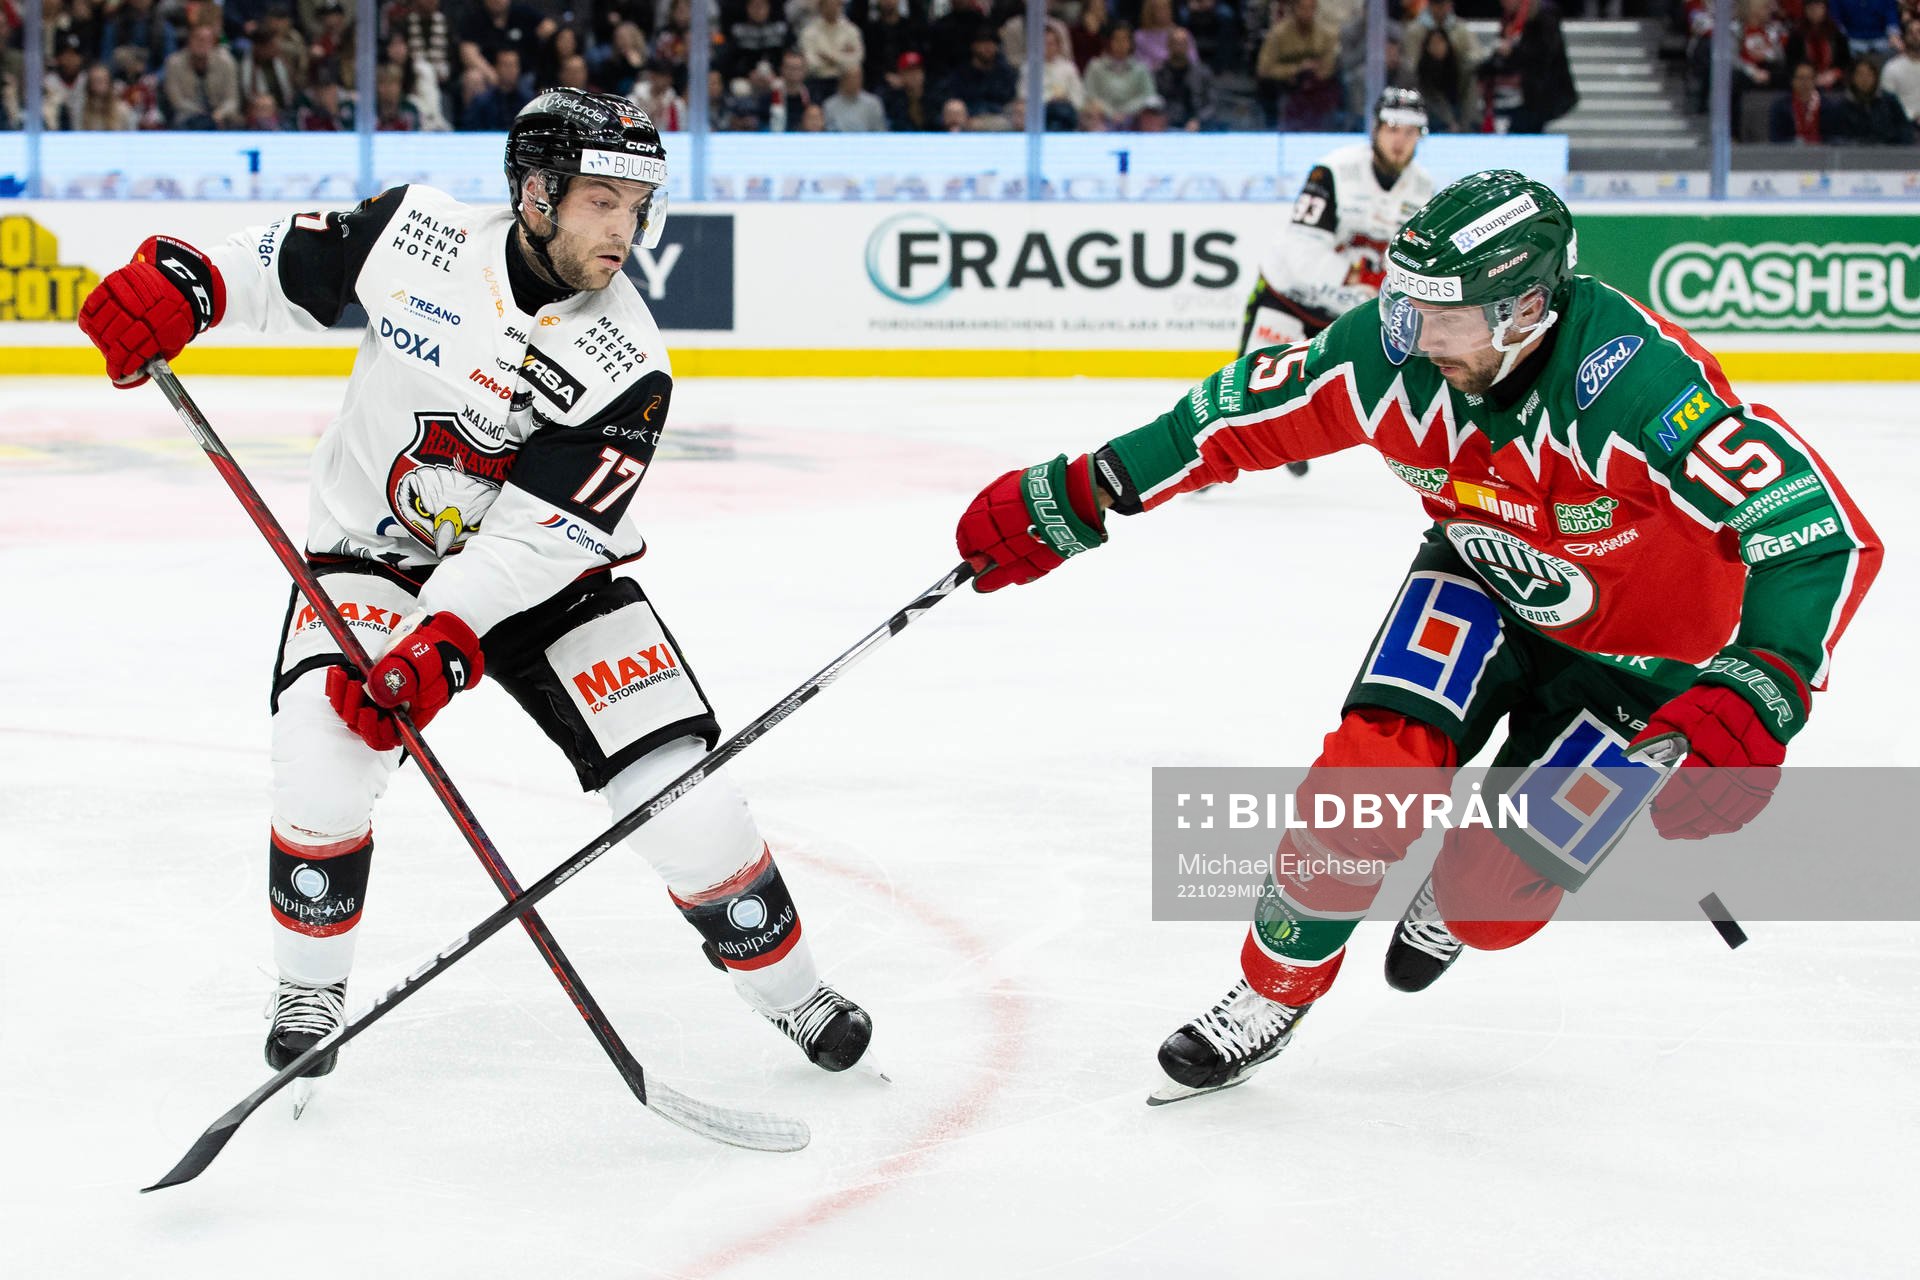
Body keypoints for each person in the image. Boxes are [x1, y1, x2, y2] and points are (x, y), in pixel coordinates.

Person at [952, 170, 1881, 1103]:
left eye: (1447, 317)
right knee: (1363, 781)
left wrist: (1764, 682)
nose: (1414, 335)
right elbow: (1233, 415)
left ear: (1524, 309)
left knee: (1492, 906)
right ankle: (1272, 992)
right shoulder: (1390, 354)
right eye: (1408, 305)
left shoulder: (1633, 381)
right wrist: (1090, 487)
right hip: (1484, 576)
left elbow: (1815, 529)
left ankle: (1462, 891)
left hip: (1645, 664)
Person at [75, 89, 875, 1091]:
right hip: (375, 551)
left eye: (636, 206)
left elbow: (543, 535)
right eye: (599, 201)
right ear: (535, 194)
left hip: (546, 580)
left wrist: (445, 633)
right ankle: (309, 988)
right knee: (320, 759)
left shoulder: (630, 364)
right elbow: (282, 261)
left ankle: (795, 991)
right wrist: (188, 288)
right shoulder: (420, 235)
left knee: (682, 796)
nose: (622, 230)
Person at [1239, 89, 1434, 477]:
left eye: (1411, 131)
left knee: (1319, 394)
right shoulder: (1332, 172)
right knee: (1247, 390)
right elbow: (1300, 253)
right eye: (1393, 127)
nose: (1400, 140)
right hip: (1287, 295)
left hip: (1341, 312)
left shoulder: (1423, 190)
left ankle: (1291, 442)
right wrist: (1361, 275)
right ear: (1376, 129)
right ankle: (1207, 456)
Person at [1477, 0, 1577, 134]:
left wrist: (1513, 50)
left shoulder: (1544, 14)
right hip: (1518, 94)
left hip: (1538, 93)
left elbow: (1545, 52)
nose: (1502, 3)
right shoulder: (1509, 17)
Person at [1400, 0, 1480, 126]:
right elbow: (1410, 63)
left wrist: (1450, 54)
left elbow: (1475, 55)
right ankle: (1444, 123)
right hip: (1424, 80)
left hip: (1455, 78)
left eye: (1445, 4)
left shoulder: (1460, 29)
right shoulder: (1414, 30)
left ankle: (1470, 125)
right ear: (1430, 5)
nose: (1442, 9)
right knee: (1418, 80)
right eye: (1438, 5)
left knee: (1471, 78)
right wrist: (1430, 59)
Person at [1836, 53, 1915, 140]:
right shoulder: (1841, 106)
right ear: (1852, 78)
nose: (1864, 79)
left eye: (1869, 75)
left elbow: (1905, 129)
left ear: (1876, 77)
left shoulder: (1889, 101)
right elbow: (1837, 137)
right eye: (1860, 75)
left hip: (1888, 150)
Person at [1770, 59, 1839, 140]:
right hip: (1790, 151)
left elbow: (1834, 138)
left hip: (1821, 151)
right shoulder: (1780, 107)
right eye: (1801, 78)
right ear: (1792, 80)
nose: (1805, 82)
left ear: (1815, 80)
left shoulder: (1828, 106)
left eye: (1809, 78)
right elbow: (1775, 138)